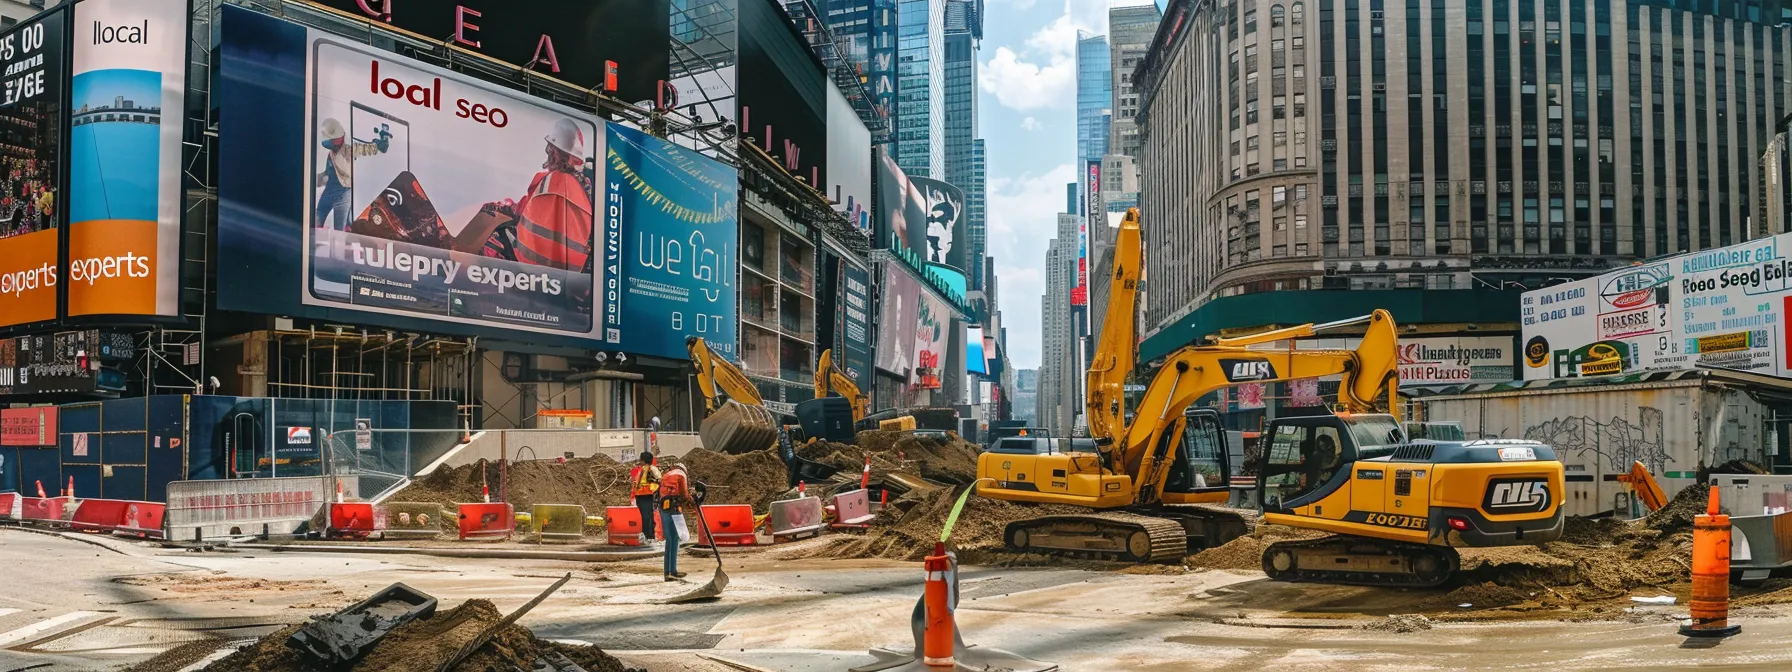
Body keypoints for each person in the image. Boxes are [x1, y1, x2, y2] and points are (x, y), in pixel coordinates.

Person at [509, 118, 595, 270]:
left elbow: (520, 210)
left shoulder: (544, 180)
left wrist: (504, 207)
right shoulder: (590, 187)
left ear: (554, 151)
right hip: (576, 272)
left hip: (528, 266)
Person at [314, 118, 386, 230]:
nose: (334, 141)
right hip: (329, 191)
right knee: (317, 220)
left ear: (341, 137)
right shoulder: (331, 154)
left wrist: (377, 146)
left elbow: (364, 149)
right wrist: (313, 179)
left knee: (340, 228)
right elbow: (327, 174)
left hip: (343, 192)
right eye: (332, 139)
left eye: (336, 139)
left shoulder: (349, 150)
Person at [658, 460, 691, 581]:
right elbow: (684, 494)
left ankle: (670, 572)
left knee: (670, 540)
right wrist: (690, 500)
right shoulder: (681, 475)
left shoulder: (666, 475)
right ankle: (671, 572)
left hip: (664, 508)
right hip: (673, 509)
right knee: (674, 539)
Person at [629, 451, 660, 541]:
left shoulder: (651, 469)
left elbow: (657, 481)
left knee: (646, 516)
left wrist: (651, 491)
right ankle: (647, 535)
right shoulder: (644, 469)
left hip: (646, 495)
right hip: (641, 495)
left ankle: (649, 536)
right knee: (644, 516)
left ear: (644, 460)